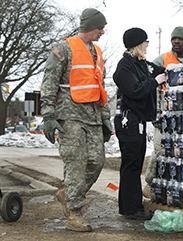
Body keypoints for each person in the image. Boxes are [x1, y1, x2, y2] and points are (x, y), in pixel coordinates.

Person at [41, 8, 111, 232]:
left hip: (92, 116)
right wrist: (49, 116)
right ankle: (74, 213)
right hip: (68, 116)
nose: (102, 31)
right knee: (76, 164)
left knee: (97, 162)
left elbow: (99, 88)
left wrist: (105, 118)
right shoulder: (64, 48)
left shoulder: (98, 53)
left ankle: (68, 194)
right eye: (100, 27)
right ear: (89, 26)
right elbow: (49, 83)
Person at [113, 27, 166, 220]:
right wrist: (155, 82)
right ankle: (130, 208)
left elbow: (157, 71)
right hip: (128, 123)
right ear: (137, 44)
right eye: (145, 42)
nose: (147, 45)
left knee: (136, 163)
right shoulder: (125, 66)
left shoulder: (142, 64)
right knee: (131, 164)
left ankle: (133, 205)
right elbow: (134, 89)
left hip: (139, 122)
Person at [143, 26, 183, 194]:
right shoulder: (161, 60)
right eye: (173, 38)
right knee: (160, 149)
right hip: (164, 115)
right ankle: (150, 183)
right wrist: (155, 113)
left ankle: (175, 188)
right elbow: (151, 88)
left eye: (180, 39)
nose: (176, 41)